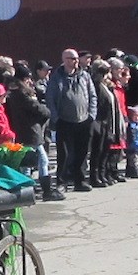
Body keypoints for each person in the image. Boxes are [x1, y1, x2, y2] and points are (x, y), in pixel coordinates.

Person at [4, 71, 60, 200]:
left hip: (23, 131)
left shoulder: (12, 95)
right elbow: (39, 110)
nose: (30, 81)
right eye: (28, 79)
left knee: (28, 162)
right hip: (31, 132)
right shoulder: (23, 95)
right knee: (40, 160)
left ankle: (28, 191)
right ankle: (44, 191)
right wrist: (46, 111)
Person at [48, 48, 96, 192]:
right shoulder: (56, 77)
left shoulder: (85, 76)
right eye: (72, 58)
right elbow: (50, 99)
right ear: (64, 60)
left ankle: (80, 181)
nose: (75, 61)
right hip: (64, 120)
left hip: (84, 120)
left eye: (76, 58)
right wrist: (56, 118)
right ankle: (61, 182)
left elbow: (92, 96)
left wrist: (91, 115)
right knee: (64, 153)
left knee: (82, 152)